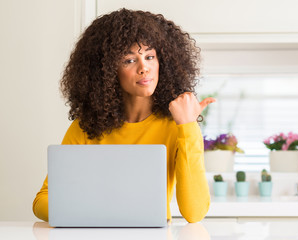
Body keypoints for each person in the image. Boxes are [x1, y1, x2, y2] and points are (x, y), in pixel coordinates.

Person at [32, 8, 215, 223]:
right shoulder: (87, 127)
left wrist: (188, 126)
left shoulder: (177, 126)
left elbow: (194, 212)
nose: (144, 68)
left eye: (150, 56)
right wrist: (104, 213)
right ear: (107, 71)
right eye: (129, 60)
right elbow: (42, 202)